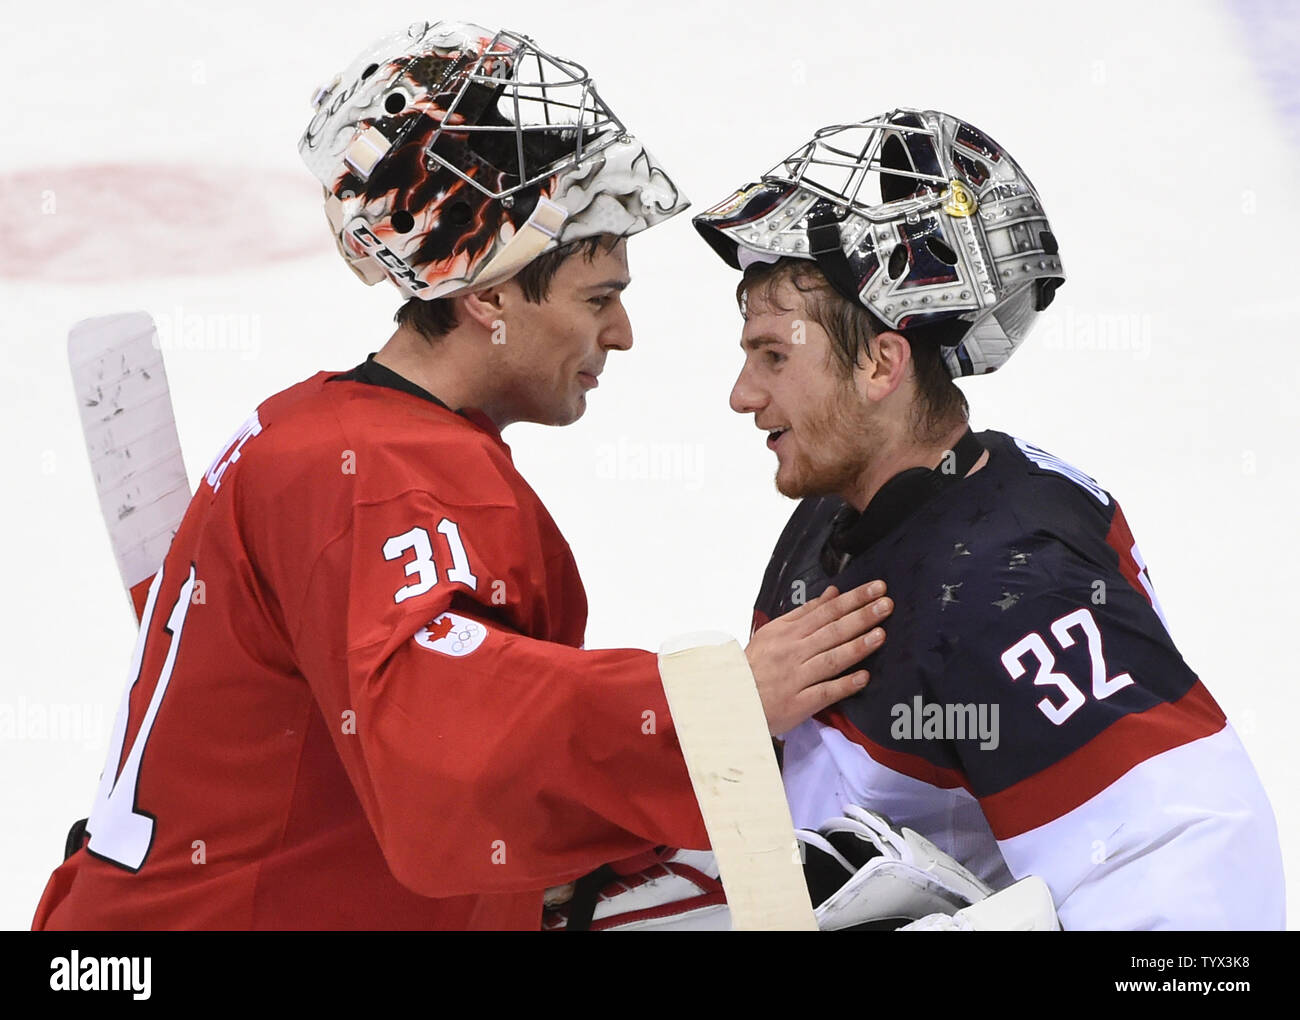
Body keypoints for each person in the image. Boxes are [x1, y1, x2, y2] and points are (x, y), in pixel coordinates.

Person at [31, 21, 890, 931]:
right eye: (598, 297)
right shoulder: (381, 479)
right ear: (487, 297)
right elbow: (441, 743)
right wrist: (714, 707)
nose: (622, 333)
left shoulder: (313, 428)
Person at [684, 107, 1286, 930]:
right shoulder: (841, 512)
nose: (743, 395)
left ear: (881, 363)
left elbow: (1198, 881)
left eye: (774, 357)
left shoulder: (1020, 575)